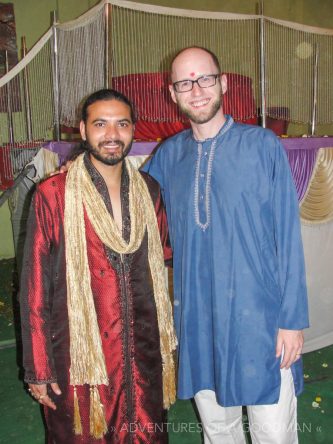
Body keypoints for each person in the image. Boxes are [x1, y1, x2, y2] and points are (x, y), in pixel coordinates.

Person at [143, 47, 309, 443]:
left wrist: (291, 320)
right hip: (200, 321)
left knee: (273, 432)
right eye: (185, 82)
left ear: (224, 83)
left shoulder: (262, 146)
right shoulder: (169, 155)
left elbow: (288, 235)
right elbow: (127, 199)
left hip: (262, 322)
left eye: (205, 78)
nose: (196, 89)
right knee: (219, 430)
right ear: (172, 93)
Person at [19, 89, 177, 444]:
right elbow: (34, 289)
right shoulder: (53, 195)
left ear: (134, 129)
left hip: (142, 358)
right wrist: (39, 368)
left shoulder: (149, 191)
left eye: (121, 124)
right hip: (79, 363)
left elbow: (164, 261)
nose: (112, 134)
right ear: (83, 129)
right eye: (100, 124)